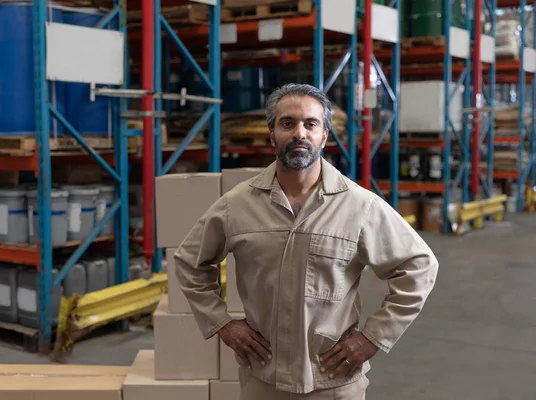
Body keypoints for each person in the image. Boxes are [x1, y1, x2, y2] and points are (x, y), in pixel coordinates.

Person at [174, 83, 439, 399]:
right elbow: (189, 261)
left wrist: (372, 337)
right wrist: (222, 324)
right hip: (263, 379)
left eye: (310, 124)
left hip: (334, 380)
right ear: (272, 134)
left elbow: (419, 267)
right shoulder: (237, 205)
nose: (299, 133)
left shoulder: (360, 206)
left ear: (324, 136)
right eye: (287, 123)